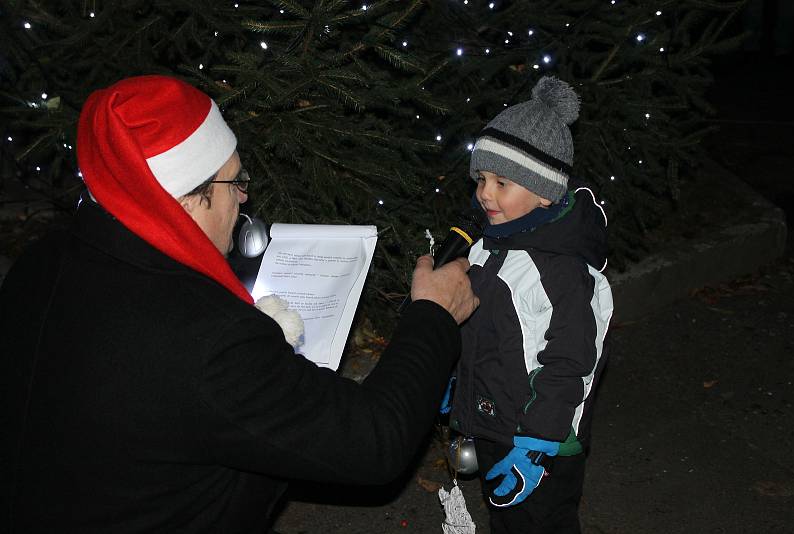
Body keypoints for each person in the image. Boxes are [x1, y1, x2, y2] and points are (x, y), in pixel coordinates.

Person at [0, 75, 478, 533]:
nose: (246, 196)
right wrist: (432, 315)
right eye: (235, 182)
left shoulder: (44, 258)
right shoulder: (210, 340)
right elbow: (375, 440)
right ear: (185, 199)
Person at [444, 76, 614, 533]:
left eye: (502, 181)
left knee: (543, 523)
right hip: (498, 424)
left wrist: (537, 445)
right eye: (481, 178)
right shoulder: (489, 245)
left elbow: (570, 362)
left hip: (543, 439)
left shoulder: (560, 272)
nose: (485, 193)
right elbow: (479, 330)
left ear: (544, 192)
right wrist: (457, 383)